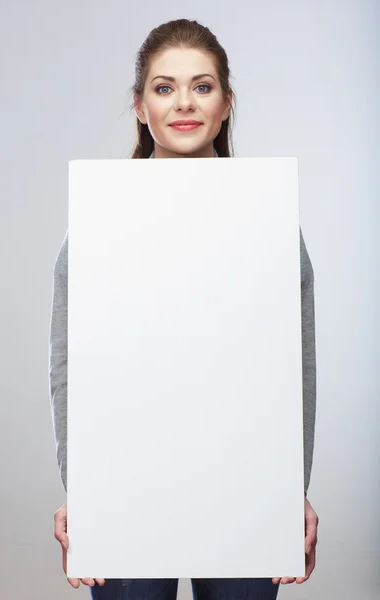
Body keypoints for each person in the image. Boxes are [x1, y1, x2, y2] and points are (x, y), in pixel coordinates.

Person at [49, 18, 319, 600]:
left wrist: (291, 488)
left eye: (202, 86)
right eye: (164, 87)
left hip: (245, 486)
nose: (184, 103)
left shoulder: (270, 218)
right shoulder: (99, 219)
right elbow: (69, 366)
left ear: (226, 104)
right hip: (125, 485)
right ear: (141, 107)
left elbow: (295, 365)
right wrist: (82, 488)